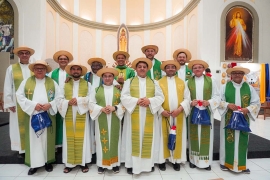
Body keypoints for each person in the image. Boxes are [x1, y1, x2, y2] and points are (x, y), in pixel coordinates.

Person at [121, 57, 164, 175]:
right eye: (139, 67)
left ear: (147, 69)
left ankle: (148, 164)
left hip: (149, 114)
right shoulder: (128, 82)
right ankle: (130, 164)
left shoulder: (154, 82)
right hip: (133, 115)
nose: (142, 69)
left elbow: (160, 97)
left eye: (144, 67)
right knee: (132, 139)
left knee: (148, 139)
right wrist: (137, 101)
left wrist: (149, 101)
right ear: (135, 68)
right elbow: (123, 97)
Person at [16, 60, 60, 175]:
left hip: (48, 114)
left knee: (47, 139)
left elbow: (60, 97)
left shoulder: (52, 82)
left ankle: (47, 162)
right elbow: (19, 96)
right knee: (34, 139)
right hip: (32, 114)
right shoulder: (26, 82)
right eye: (37, 68)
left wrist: (50, 104)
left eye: (42, 69)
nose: (40, 70)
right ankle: (34, 164)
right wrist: (33, 105)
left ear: (46, 70)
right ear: (33, 70)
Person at [218, 66, 260, 174]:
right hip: (228, 118)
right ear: (231, 75)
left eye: (240, 73)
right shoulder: (224, 87)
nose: (237, 75)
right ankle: (224, 163)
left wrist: (247, 109)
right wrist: (227, 105)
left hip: (243, 118)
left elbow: (256, 103)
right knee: (227, 139)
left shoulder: (249, 88)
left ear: (243, 75)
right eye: (235, 73)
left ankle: (242, 164)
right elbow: (218, 101)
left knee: (242, 140)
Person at [89, 67, 125, 174]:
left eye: (110, 76)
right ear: (102, 78)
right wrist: (101, 109)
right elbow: (91, 103)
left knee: (115, 139)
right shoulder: (96, 90)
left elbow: (124, 103)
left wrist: (115, 108)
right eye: (105, 76)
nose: (107, 78)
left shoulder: (118, 89)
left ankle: (115, 164)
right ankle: (101, 164)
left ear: (113, 78)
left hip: (115, 117)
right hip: (101, 117)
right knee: (101, 141)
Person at [57, 62, 92, 173]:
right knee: (68, 139)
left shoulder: (87, 84)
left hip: (82, 113)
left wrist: (79, 101)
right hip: (69, 113)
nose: (76, 71)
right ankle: (69, 163)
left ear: (81, 72)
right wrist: (68, 102)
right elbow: (58, 99)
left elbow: (91, 99)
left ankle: (83, 162)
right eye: (74, 69)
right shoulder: (64, 84)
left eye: (78, 69)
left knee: (83, 138)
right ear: (70, 71)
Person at [186, 60, 220, 170]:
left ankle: (206, 162)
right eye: (195, 68)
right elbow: (185, 98)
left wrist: (209, 102)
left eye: (200, 67)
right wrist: (191, 102)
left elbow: (217, 96)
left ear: (203, 69)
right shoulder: (188, 82)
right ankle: (193, 160)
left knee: (206, 136)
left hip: (206, 111)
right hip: (193, 112)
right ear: (192, 70)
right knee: (193, 136)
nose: (197, 69)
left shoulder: (211, 80)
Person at [157, 60, 191, 171]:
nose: (170, 69)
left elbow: (187, 98)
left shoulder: (182, 82)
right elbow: (156, 98)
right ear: (165, 69)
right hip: (164, 114)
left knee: (177, 136)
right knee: (163, 136)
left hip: (178, 114)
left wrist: (180, 109)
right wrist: (161, 110)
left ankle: (176, 160)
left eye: (173, 67)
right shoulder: (159, 82)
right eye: (168, 67)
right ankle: (162, 160)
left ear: (176, 69)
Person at [4, 46, 35, 155]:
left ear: (30, 55)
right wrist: (9, 102)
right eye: (22, 53)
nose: (24, 55)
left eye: (27, 53)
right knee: (18, 125)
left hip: (32, 102)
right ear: (18, 55)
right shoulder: (11, 68)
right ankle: (21, 149)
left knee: (32, 124)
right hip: (17, 103)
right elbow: (8, 86)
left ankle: (32, 146)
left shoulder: (34, 68)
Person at [48, 50, 73, 147]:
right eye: (61, 59)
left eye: (65, 59)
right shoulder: (52, 74)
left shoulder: (73, 72)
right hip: (56, 102)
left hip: (69, 102)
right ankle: (58, 145)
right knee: (57, 123)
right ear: (58, 61)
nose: (63, 60)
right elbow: (49, 87)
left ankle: (67, 144)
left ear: (68, 61)